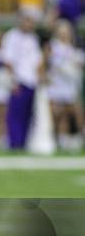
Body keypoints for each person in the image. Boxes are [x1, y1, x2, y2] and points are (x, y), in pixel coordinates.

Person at [0, 12, 42, 149]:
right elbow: (7, 60)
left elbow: (37, 61)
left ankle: (24, 142)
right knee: (15, 114)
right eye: (27, 21)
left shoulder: (33, 38)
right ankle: (14, 142)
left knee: (28, 114)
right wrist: (12, 81)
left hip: (32, 80)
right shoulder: (11, 36)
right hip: (19, 80)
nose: (30, 25)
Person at [45, 20, 85, 152]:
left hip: (70, 84)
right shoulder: (52, 46)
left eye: (67, 33)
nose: (65, 35)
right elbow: (44, 62)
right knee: (58, 113)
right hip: (56, 84)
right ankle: (60, 139)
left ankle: (80, 135)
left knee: (75, 111)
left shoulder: (74, 47)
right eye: (62, 33)